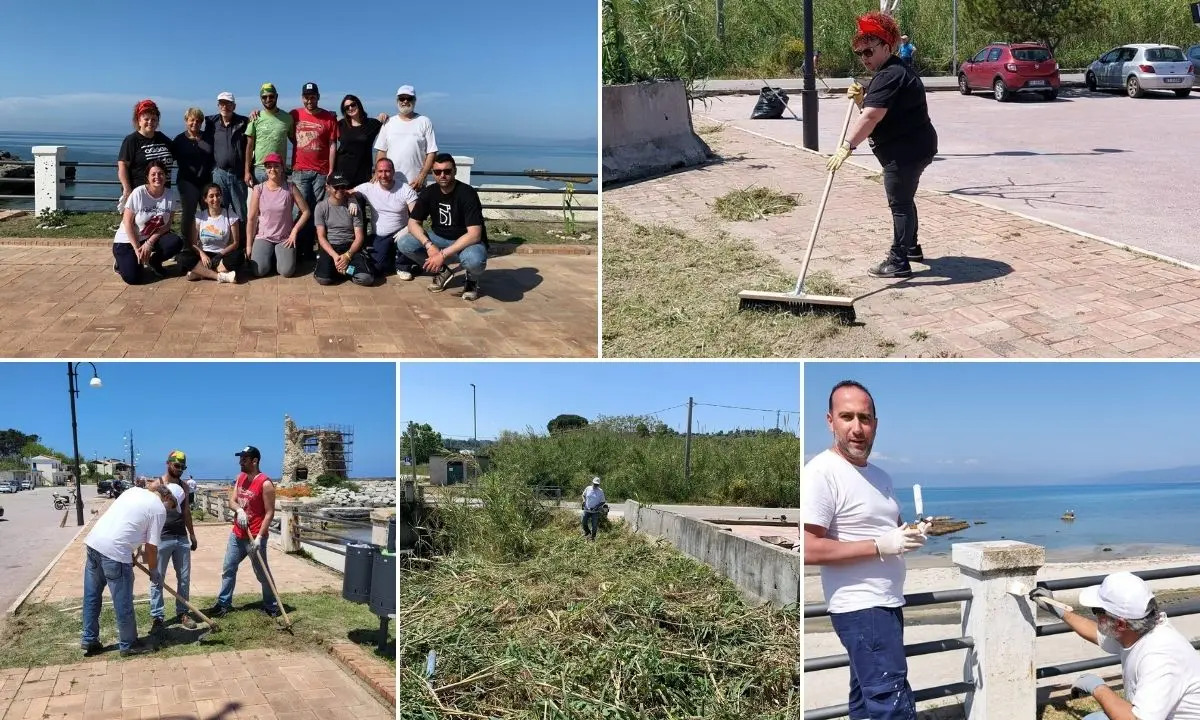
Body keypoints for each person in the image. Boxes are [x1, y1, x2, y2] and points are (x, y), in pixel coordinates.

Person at [803, 380, 928, 720]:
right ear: (830, 421)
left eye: (865, 418)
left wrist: (911, 535)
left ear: (876, 423)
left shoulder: (880, 476)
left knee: (865, 702)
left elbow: (892, 532)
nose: (857, 428)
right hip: (861, 607)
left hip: (886, 603)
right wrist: (878, 546)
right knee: (892, 705)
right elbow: (808, 549)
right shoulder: (821, 473)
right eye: (847, 417)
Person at [826, 11, 938, 280]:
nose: (864, 58)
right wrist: (861, 100)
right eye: (860, 53)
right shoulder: (892, 71)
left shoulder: (889, 75)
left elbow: (872, 116)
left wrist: (847, 146)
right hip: (915, 146)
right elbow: (880, 110)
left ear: (887, 47)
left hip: (906, 152)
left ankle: (898, 260)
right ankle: (910, 247)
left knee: (899, 203)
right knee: (904, 199)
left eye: (869, 51)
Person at [1031, 572, 1200, 719]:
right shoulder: (1138, 632)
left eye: (1097, 611)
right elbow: (1096, 633)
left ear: (1120, 624)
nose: (1096, 616)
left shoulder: (1160, 657)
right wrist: (1059, 611)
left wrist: (1098, 688)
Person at [81, 475, 177, 657]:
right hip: (115, 553)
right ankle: (129, 643)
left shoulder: (133, 491)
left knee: (92, 596)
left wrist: (134, 551)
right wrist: (154, 570)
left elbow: (130, 523)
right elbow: (152, 546)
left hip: (94, 543)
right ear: (165, 498)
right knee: (123, 601)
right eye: (170, 507)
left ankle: (89, 639)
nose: (169, 512)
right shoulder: (158, 509)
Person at [400, 154, 489, 301]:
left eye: (447, 171)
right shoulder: (429, 192)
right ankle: (442, 271)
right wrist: (429, 246)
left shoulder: (467, 193)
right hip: (439, 237)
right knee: (404, 243)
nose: (442, 175)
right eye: (437, 172)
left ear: (454, 171)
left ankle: (472, 280)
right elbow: (413, 223)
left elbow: (474, 234)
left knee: (474, 260)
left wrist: (442, 255)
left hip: (465, 240)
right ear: (433, 173)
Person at [206, 446, 280, 618]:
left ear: (254, 461)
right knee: (228, 568)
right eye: (240, 459)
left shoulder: (266, 483)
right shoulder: (240, 478)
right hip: (237, 533)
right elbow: (232, 501)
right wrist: (239, 510)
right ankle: (223, 603)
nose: (240, 462)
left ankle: (272, 606)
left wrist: (260, 537)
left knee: (262, 573)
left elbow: (269, 513)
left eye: (244, 459)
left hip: (254, 536)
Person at [148, 451, 200, 637]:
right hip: (161, 538)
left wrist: (192, 535)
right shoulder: (156, 485)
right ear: (168, 463)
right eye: (177, 466)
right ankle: (157, 617)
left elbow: (185, 512)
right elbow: (145, 511)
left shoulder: (184, 487)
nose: (180, 470)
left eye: (183, 467)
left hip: (180, 537)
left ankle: (182, 613)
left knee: (184, 578)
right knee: (157, 578)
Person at [288, 82, 339, 263]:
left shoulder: (328, 118)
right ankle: (295, 248)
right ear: (302, 98)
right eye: (306, 97)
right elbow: (283, 129)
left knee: (317, 212)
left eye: (313, 96)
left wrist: (331, 170)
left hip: (321, 172)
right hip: (300, 171)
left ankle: (311, 250)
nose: (309, 100)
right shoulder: (294, 114)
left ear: (318, 97)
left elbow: (333, 145)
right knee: (299, 211)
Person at [112, 160, 185, 284]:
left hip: (148, 238)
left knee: (175, 242)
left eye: (161, 173)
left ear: (165, 175)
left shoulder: (171, 195)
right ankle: (121, 263)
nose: (157, 177)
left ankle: (154, 262)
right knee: (133, 278)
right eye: (153, 174)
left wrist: (149, 243)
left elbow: (167, 226)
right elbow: (128, 223)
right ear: (147, 177)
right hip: (128, 241)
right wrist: (137, 247)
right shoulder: (138, 193)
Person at [246, 152, 310, 278]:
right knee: (259, 271)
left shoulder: (290, 187)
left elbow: (306, 211)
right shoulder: (258, 189)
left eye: (276, 166)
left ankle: (279, 257)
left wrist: (294, 231)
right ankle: (271, 256)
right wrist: (249, 245)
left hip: (285, 238)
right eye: (269, 166)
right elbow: (252, 219)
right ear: (265, 169)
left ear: (282, 168)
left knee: (287, 271)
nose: (272, 169)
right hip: (264, 237)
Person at [354, 157, 419, 278]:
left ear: (393, 172)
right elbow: (346, 193)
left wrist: (407, 229)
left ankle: (403, 266)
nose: (384, 175)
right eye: (380, 171)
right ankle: (394, 260)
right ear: (375, 173)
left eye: (387, 171)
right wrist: (352, 200)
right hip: (380, 236)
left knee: (407, 240)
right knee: (377, 268)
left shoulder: (405, 190)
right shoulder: (369, 188)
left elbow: (417, 216)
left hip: (402, 233)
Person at [313, 172, 374, 286]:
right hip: (331, 247)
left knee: (366, 279)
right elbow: (321, 236)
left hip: (350, 247)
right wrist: (335, 256)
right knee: (323, 279)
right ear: (328, 188)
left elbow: (359, 236)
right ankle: (342, 269)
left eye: (343, 187)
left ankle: (342, 269)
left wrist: (347, 256)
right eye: (336, 187)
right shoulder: (321, 207)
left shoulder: (354, 207)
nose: (340, 190)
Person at [374, 85, 438, 190]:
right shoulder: (389, 122)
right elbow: (382, 151)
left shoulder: (424, 121)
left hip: (415, 184)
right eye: (401, 98)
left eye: (409, 98)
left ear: (415, 100)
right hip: (390, 184)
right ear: (397, 100)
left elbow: (432, 152)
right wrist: (378, 173)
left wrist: (422, 176)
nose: (405, 101)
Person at [117, 99, 175, 213]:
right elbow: (122, 166)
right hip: (140, 193)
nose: (150, 122)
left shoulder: (163, 138)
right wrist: (127, 189)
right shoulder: (132, 140)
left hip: (162, 194)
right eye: (146, 119)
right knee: (138, 227)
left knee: (159, 225)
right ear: (138, 121)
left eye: (154, 119)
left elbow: (179, 153)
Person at [205, 92, 250, 228]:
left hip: (238, 175)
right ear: (218, 106)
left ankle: (242, 244)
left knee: (240, 211)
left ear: (234, 106)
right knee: (219, 210)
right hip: (219, 174)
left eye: (228, 103)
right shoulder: (211, 123)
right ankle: (223, 241)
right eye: (222, 103)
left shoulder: (244, 122)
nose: (225, 106)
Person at [172, 107, 216, 245]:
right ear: (186, 121)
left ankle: (209, 242)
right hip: (187, 182)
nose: (195, 123)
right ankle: (186, 246)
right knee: (188, 214)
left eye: (198, 121)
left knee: (208, 212)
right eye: (192, 120)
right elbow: (168, 159)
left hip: (206, 182)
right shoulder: (179, 140)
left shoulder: (208, 138)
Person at [180, 183, 240, 283]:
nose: (215, 199)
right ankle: (220, 276)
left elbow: (235, 243)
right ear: (205, 199)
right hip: (204, 256)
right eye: (211, 196)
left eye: (218, 195)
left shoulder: (230, 215)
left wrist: (220, 254)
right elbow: (193, 243)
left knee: (238, 257)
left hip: (221, 256)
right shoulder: (199, 216)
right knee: (183, 257)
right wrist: (202, 254)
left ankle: (200, 272)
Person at [245, 83, 293, 187]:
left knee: (280, 203)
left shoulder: (287, 118)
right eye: (264, 97)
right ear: (260, 98)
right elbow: (249, 147)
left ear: (277, 96)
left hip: (279, 170)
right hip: (259, 171)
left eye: (271, 96)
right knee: (259, 203)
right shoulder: (255, 118)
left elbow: (296, 142)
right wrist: (247, 172)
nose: (268, 99)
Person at [335, 94, 382, 187]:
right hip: (341, 171)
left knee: (359, 200)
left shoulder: (372, 124)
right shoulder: (341, 124)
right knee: (342, 200)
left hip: (362, 172)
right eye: (347, 107)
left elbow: (388, 134)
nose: (350, 108)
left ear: (358, 104)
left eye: (353, 104)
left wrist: (384, 116)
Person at [581, 477, 606, 541]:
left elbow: (603, 501)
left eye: (597, 484)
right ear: (592, 482)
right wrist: (584, 501)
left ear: (599, 484)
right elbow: (583, 495)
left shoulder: (600, 491)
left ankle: (593, 537)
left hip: (595, 511)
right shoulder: (588, 488)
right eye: (594, 484)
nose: (595, 485)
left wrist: (597, 506)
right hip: (587, 509)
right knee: (583, 522)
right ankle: (587, 532)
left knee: (594, 526)